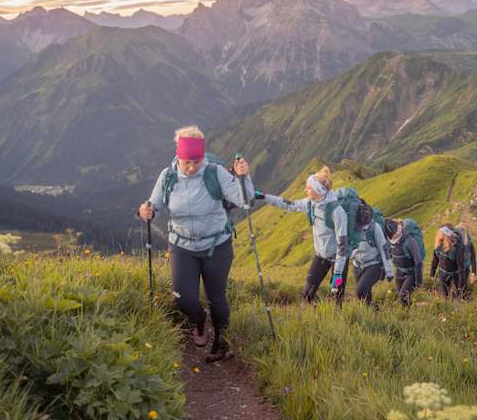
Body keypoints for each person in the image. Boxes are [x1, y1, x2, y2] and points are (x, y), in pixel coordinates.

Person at [138, 125, 253, 362]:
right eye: (186, 162)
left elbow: (244, 200)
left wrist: (244, 176)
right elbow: (154, 204)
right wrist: (145, 211)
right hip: (182, 247)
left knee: (217, 298)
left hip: (216, 246)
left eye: (196, 162)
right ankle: (199, 321)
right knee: (183, 299)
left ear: (203, 157)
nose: (191, 168)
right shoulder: (167, 177)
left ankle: (221, 345)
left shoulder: (216, 173)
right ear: (178, 156)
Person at [254, 166, 349, 304]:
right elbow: (289, 204)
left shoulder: (336, 211)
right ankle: (316, 320)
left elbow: (343, 245)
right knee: (307, 294)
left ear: (318, 190)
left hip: (339, 260)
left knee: (336, 298)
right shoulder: (311, 204)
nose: (306, 190)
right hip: (321, 256)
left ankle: (337, 321)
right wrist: (264, 196)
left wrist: (338, 273)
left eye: (308, 188)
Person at [344, 204, 390, 307]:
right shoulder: (350, 227)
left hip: (375, 264)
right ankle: (373, 318)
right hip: (357, 265)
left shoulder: (374, 227)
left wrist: (388, 270)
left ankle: (376, 311)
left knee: (360, 291)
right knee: (365, 297)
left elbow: (384, 249)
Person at [384, 218, 423, 306]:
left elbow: (418, 262)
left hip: (410, 273)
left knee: (403, 296)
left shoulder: (410, 241)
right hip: (399, 272)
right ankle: (408, 313)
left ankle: (411, 313)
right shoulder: (390, 241)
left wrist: (418, 281)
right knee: (400, 296)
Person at [430, 224, 466, 299]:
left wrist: (460, 286)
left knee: (456, 296)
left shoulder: (456, 248)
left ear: (445, 235)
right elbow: (435, 260)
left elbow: (461, 268)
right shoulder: (438, 245)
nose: (438, 234)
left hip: (454, 276)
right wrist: (432, 273)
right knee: (445, 296)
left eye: (440, 233)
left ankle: (455, 305)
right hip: (442, 275)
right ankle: (447, 307)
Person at [456, 223, 477, 298]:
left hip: (455, 268)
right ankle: (462, 298)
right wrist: (474, 273)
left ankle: (458, 298)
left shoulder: (455, 242)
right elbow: (473, 258)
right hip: (465, 267)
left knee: (457, 285)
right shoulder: (470, 243)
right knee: (463, 284)